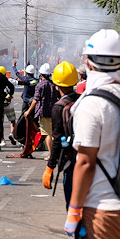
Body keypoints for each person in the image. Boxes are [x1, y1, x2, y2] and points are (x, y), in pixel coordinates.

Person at [65, 29, 120, 239]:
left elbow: (85, 162)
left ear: (89, 63)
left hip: (104, 209)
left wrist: (74, 211)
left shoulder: (91, 104)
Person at [42, 61, 79, 208]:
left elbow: (57, 140)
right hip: (90, 160)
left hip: (70, 161)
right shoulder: (83, 100)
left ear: (56, 85)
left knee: (72, 205)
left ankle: (75, 229)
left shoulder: (59, 108)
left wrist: (50, 167)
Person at [24, 63, 58, 158]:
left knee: (47, 134)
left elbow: (35, 100)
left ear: (41, 74)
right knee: (52, 133)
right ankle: (54, 153)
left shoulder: (40, 85)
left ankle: (51, 155)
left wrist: (29, 111)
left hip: (44, 113)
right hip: (53, 112)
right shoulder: (53, 85)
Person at [0, 66, 18, 145]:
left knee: (0, 123)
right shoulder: (9, 80)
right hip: (9, 104)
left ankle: (2, 139)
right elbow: (18, 83)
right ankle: (11, 133)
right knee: (12, 120)